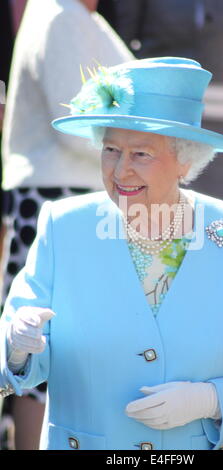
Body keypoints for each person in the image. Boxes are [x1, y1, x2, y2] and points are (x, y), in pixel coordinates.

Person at [0, 57, 223, 451]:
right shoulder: (63, 225)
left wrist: (211, 400)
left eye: (141, 154)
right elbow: (20, 361)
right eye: (110, 149)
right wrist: (18, 345)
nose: (121, 171)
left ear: (185, 159)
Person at [0, 0, 134, 450]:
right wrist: (137, 150)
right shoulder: (58, 15)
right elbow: (72, 123)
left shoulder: (73, 15)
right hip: (53, 193)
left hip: (70, 190)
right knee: (37, 342)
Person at [112, 0, 223, 205]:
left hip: (221, 137)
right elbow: (121, 45)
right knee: (155, 221)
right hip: (157, 129)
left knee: (215, 224)